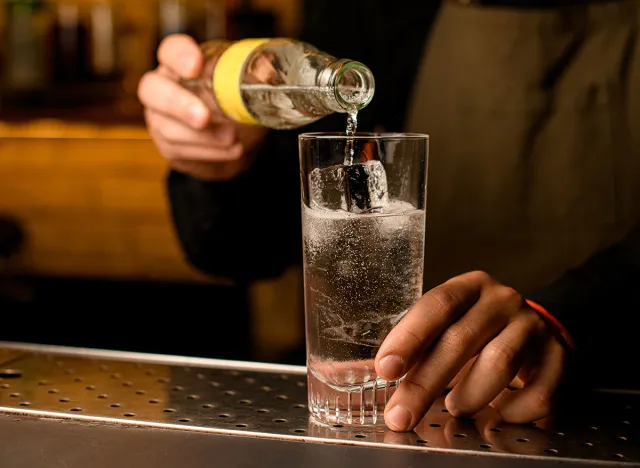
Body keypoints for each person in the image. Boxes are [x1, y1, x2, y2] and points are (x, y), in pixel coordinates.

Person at [138, 0, 640, 431]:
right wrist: (221, 158)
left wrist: (572, 319)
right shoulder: (367, 12)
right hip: (398, 413)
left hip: (609, 396)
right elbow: (244, 244)